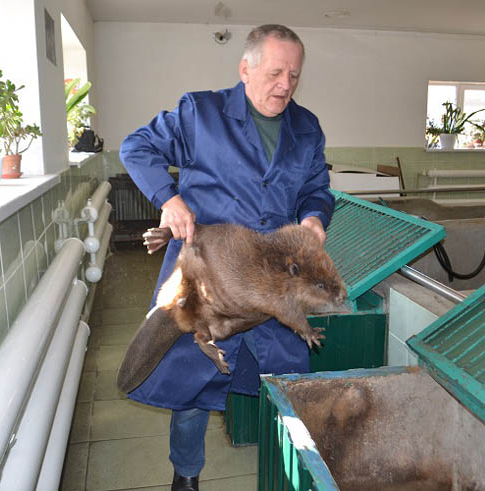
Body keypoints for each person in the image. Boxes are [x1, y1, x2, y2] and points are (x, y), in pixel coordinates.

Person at [119, 24, 334, 491]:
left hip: (273, 283)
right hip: (207, 283)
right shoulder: (200, 113)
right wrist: (169, 199)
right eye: (275, 73)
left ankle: (296, 475)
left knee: (289, 382)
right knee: (191, 388)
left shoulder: (306, 128)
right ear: (245, 69)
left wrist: (315, 217)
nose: (285, 85)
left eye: (294, 76)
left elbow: (317, 188)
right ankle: (186, 476)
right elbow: (136, 146)